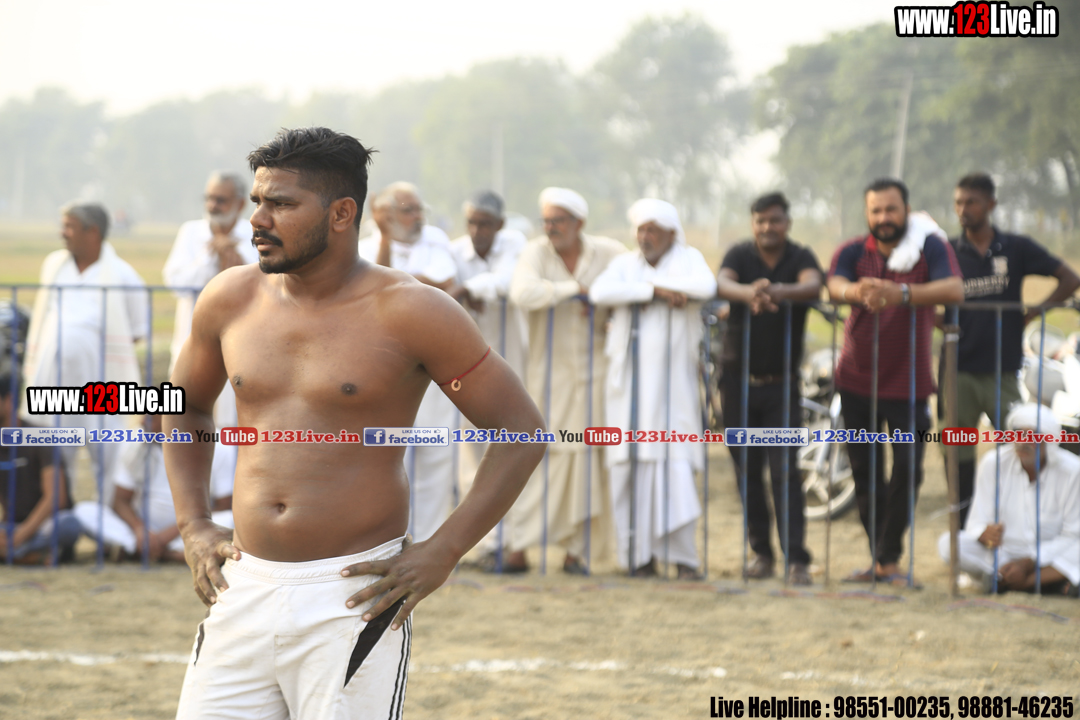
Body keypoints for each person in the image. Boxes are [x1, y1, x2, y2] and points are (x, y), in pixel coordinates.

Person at [165, 127, 544, 719]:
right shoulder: (229, 298)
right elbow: (182, 407)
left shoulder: (412, 310)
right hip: (242, 584)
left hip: (354, 597)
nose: (257, 219)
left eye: (281, 204)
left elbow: (521, 432)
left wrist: (443, 550)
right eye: (258, 201)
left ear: (342, 214)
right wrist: (192, 523)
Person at [827, 178, 964, 584]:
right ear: (866, 214)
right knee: (865, 473)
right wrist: (857, 291)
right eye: (876, 210)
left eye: (891, 209)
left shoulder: (929, 248)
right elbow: (833, 284)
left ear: (906, 210)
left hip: (908, 384)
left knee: (908, 469)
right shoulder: (853, 250)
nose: (883, 217)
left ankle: (888, 556)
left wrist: (900, 293)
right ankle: (883, 561)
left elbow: (954, 288)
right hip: (855, 381)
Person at [943, 172, 1080, 527]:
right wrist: (935, 321)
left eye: (971, 202)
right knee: (957, 451)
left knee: (1015, 448)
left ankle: (1016, 526)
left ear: (991, 204)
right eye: (958, 202)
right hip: (957, 370)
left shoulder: (1015, 247)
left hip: (1002, 370)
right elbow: (917, 291)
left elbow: (1069, 278)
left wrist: (1033, 312)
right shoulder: (946, 251)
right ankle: (966, 530)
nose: (963, 209)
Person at [589, 199, 716, 580]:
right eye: (641, 230)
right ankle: (638, 558)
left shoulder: (689, 259)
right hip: (627, 391)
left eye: (653, 230)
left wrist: (647, 289)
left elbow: (705, 286)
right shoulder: (626, 264)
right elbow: (600, 292)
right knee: (628, 468)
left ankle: (684, 560)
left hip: (673, 392)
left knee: (674, 467)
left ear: (671, 234)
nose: (645, 237)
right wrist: (654, 291)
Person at [509, 187, 626, 574]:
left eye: (558, 220)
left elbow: (630, 281)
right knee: (541, 459)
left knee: (589, 461)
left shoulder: (608, 252)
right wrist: (574, 291)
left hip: (597, 376)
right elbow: (522, 292)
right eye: (546, 220)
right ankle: (518, 547)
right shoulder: (536, 252)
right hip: (548, 377)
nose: (550, 227)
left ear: (579, 223)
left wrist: (605, 302)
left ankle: (578, 552)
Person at [715, 192, 822, 585]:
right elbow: (722, 283)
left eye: (774, 220)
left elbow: (813, 284)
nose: (767, 227)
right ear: (753, 224)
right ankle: (761, 554)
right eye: (760, 220)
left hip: (781, 387)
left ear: (787, 222)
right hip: (737, 385)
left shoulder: (800, 256)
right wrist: (750, 293)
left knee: (785, 473)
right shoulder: (740, 254)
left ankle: (797, 559)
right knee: (747, 472)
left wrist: (777, 292)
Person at [22, 202, 148, 506]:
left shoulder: (124, 275)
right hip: (54, 383)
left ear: (92, 232)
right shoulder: (55, 266)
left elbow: (134, 331)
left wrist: (89, 352)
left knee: (108, 452)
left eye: (69, 226)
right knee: (53, 453)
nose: (62, 233)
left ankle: (109, 521)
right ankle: (57, 521)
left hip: (101, 385)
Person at [358, 182, 460, 543]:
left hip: (433, 366)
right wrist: (387, 249)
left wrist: (391, 289)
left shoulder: (434, 240)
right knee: (386, 456)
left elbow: (444, 282)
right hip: (384, 370)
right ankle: (387, 544)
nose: (418, 217)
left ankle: (427, 544)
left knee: (435, 453)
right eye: (408, 210)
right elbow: (374, 289)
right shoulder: (364, 246)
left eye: (420, 209)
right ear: (384, 215)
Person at [163, 172, 260, 502]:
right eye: (209, 198)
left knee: (235, 423)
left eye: (220, 199)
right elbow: (176, 282)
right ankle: (192, 502)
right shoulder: (191, 232)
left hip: (243, 347)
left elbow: (263, 283)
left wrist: (235, 259)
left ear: (239, 203)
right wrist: (211, 255)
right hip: (192, 344)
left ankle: (233, 501)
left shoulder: (255, 231)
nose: (212, 205)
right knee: (186, 415)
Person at [447, 190, 529, 570]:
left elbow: (510, 281)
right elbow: (441, 287)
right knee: (470, 455)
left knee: (513, 450)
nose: (477, 230)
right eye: (472, 223)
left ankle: (511, 545)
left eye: (485, 224)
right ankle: (480, 547)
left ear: (500, 225)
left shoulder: (515, 244)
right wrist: (459, 291)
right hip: (463, 368)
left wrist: (468, 289)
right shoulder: (455, 251)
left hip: (510, 367)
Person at [938, 403, 1079, 595]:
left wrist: (1029, 563)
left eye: (1032, 436)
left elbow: (1073, 535)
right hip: (1004, 554)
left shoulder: (1072, 471)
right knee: (949, 543)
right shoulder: (993, 463)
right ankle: (1047, 582)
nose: (1023, 442)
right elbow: (976, 522)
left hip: (1050, 555)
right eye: (1018, 434)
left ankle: (1017, 582)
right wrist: (984, 533)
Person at [73, 414, 233, 563]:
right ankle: (158, 550)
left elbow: (224, 505)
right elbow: (120, 500)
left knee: (229, 519)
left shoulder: (215, 444)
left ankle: (143, 552)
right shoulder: (135, 440)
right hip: (142, 531)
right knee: (85, 511)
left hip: (192, 529)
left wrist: (169, 535)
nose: (142, 422)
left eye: (150, 417)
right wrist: (139, 529)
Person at [0, 374, 81, 564]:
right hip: (10, 526)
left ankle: (17, 554)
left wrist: (20, 537)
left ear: (10, 400)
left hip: (44, 525)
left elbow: (55, 498)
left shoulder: (40, 437)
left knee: (69, 525)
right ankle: (28, 556)